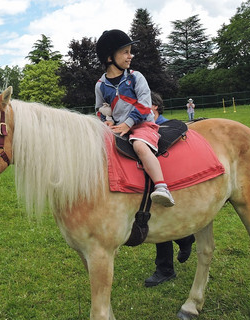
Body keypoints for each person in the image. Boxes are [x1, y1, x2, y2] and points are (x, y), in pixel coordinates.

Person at [95, 29, 174, 207]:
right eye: (126, 52)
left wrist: (127, 124)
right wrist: (106, 121)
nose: (131, 56)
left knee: (139, 145)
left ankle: (161, 187)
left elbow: (144, 105)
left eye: (130, 51)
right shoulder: (100, 85)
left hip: (142, 125)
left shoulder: (135, 77)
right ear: (109, 58)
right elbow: (100, 109)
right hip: (117, 128)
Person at [145, 93, 195, 287]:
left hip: (169, 179)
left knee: (160, 219)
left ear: (155, 107)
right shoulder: (142, 126)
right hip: (152, 179)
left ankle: (165, 269)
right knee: (159, 218)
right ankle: (185, 238)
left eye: (144, 104)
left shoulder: (168, 127)